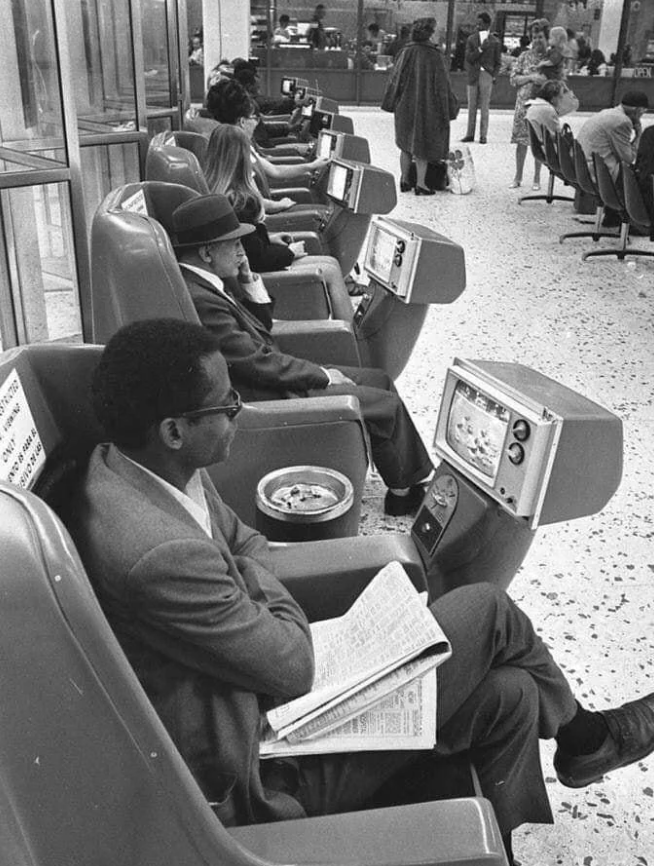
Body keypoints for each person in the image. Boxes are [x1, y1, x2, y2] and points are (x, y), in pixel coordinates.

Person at [70, 315, 654, 866]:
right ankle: (587, 738)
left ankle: (506, 837)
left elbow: (246, 543)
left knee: (512, 694)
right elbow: (293, 662)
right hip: (263, 767)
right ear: (174, 430)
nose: (239, 411)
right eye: (226, 406)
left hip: (249, 683)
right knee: (489, 610)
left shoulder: (143, 469)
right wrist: (266, 600)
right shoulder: (158, 552)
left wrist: (252, 591)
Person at [172, 193, 433, 517]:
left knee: (380, 380)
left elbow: (260, 329)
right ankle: (403, 494)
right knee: (385, 404)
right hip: (267, 391)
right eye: (234, 242)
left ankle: (403, 477)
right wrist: (321, 375)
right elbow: (255, 361)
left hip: (269, 374)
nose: (243, 249)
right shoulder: (202, 298)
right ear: (207, 251)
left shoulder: (204, 283)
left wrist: (249, 280)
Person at [203, 124, 351, 306]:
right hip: (255, 277)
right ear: (242, 158)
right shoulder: (240, 201)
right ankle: (349, 332)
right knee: (332, 270)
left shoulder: (213, 193)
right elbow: (257, 258)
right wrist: (289, 253)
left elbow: (246, 242)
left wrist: (269, 239)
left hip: (245, 268)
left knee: (331, 264)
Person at [205, 79, 329, 215]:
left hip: (260, 211)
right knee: (324, 213)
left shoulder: (228, 142)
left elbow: (275, 170)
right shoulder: (236, 151)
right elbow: (251, 199)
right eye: (255, 118)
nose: (257, 123)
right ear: (242, 121)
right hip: (264, 217)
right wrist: (279, 204)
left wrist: (311, 166)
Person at [385, 17, 457, 196]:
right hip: (428, 107)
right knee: (422, 145)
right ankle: (421, 184)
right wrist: (449, 106)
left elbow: (396, 79)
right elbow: (442, 86)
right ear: (430, 33)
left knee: (406, 145)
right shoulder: (434, 54)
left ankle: (404, 179)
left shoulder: (406, 51)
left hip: (405, 106)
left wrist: (392, 102)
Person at [509, 19, 550, 190]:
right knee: (521, 142)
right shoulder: (524, 56)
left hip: (541, 106)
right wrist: (531, 78)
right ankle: (517, 177)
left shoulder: (550, 59)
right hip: (523, 106)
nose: (537, 40)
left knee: (539, 142)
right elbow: (513, 79)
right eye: (534, 36)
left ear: (546, 37)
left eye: (540, 36)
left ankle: (537, 178)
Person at [576, 90, 648, 181]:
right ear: (638, 110)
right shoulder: (622, 121)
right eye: (644, 111)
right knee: (645, 180)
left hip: (581, 165)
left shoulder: (609, 112)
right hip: (596, 172)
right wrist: (639, 135)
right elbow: (628, 159)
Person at [461, 12, 502, 144]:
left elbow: (498, 62)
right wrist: (480, 49)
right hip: (473, 74)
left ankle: (483, 135)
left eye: (481, 23)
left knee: (484, 106)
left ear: (487, 24)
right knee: (471, 106)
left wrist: (493, 76)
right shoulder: (471, 40)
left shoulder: (495, 42)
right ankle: (470, 134)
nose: (478, 26)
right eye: (477, 23)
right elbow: (468, 57)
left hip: (486, 74)